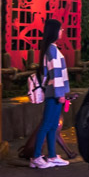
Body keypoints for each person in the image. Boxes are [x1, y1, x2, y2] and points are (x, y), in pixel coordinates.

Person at [30, 17, 70, 169]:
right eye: (60, 29)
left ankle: (52, 156)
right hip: (54, 93)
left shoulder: (51, 48)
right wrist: (60, 94)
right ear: (54, 32)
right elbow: (56, 74)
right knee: (47, 124)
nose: (62, 31)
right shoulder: (52, 50)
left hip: (54, 93)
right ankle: (36, 157)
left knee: (52, 125)